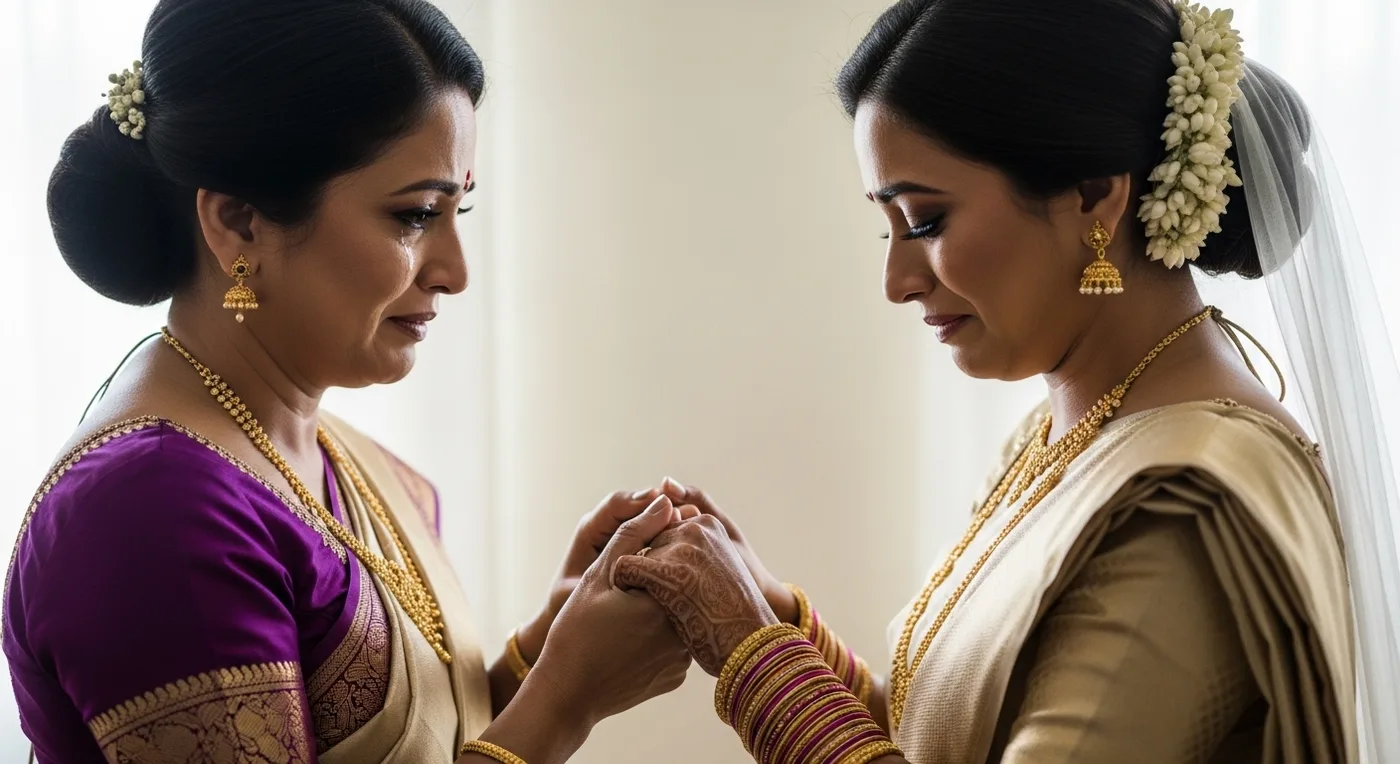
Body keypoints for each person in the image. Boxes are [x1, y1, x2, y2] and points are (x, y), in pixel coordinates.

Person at [614, 0, 1400, 762]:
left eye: (925, 221)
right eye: (888, 228)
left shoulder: (1185, 506)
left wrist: (750, 650)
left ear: (1094, 194)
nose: (896, 282)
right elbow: (935, 734)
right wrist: (771, 613)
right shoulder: (1062, 431)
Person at [3, 1, 693, 762]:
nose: (456, 272)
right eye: (415, 214)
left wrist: (547, 650)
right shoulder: (151, 511)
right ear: (239, 223)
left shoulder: (334, 454)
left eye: (459, 209)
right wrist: (567, 700)